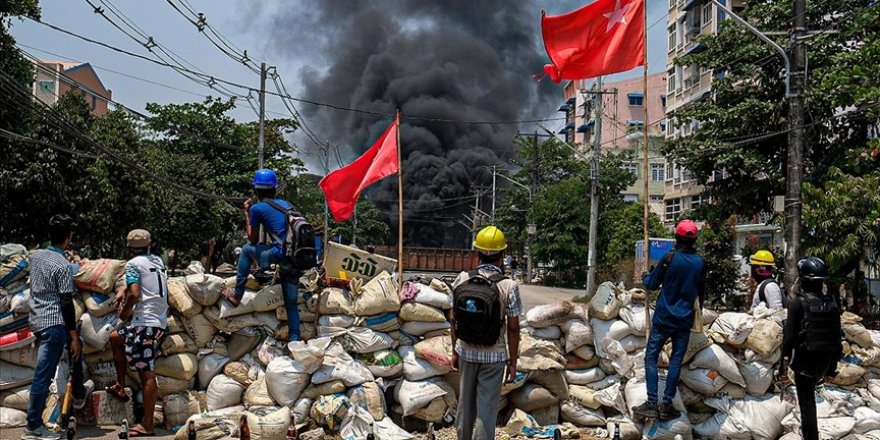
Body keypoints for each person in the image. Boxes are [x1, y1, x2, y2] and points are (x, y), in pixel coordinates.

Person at [23, 215, 94, 440]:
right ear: (69, 238)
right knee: (43, 376)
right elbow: (66, 303)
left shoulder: (36, 257)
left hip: (37, 321)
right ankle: (33, 427)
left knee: (78, 347)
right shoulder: (64, 266)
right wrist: (72, 334)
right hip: (54, 324)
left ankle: (80, 392)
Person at [450, 226, 521, 440]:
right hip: (495, 355)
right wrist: (513, 361)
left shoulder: (463, 278)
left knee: (465, 404)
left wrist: (455, 350)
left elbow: (453, 319)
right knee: (487, 410)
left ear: (478, 253)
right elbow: (513, 327)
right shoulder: (509, 285)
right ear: (503, 256)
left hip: (466, 352)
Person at [633, 219, 706, 421]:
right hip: (684, 320)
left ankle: (651, 402)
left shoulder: (669, 258)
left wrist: (646, 275)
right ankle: (666, 405)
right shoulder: (700, 263)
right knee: (675, 361)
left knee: (651, 357)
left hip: (664, 318)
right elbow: (701, 294)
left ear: (677, 238)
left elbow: (651, 284)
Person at [106, 229, 169, 437]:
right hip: (158, 322)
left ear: (128, 248)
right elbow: (142, 283)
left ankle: (147, 424)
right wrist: (123, 288)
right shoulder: (157, 261)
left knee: (146, 374)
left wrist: (124, 312)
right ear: (149, 245)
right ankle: (120, 385)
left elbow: (136, 294)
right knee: (116, 338)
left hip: (144, 325)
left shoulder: (132, 264)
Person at [226, 169, 301, 341]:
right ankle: (294, 339)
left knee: (246, 250)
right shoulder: (287, 205)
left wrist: (247, 212)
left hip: (280, 253)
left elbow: (252, 239)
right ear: (275, 189)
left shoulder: (257, 208)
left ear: (256, 191)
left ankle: (237, 295)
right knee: (291, 302)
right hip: (296, 256)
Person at [779, 257, 842, 440]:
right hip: (824, 362)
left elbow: (788, 338)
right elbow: (836, 338)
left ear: (803, 279)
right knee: (810, 402)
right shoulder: (831, 303)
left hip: (805, 362)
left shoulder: (798, 303)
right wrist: (832, 368)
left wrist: (782, 367)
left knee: (807, 406)